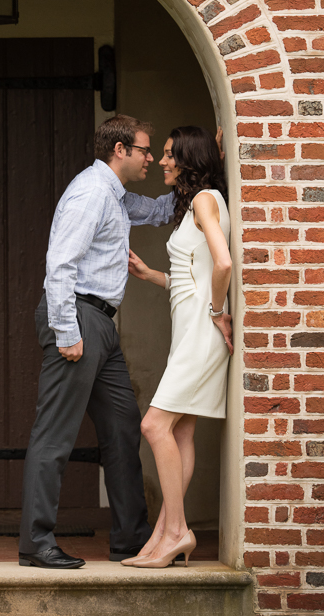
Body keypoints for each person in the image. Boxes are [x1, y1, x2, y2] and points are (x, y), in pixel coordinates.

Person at [18, 114, 175, 569]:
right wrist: (67, 332)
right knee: (55, 435)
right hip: (78, 318)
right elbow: (59, 264)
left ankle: (132, 538)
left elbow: (163, 210)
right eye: (145, 149)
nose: (150, 157)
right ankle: (36, 543)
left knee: (124, 426)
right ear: (120, 150)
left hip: (101, 324)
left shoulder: (117, 196)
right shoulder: (90, 192)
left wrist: (210, 169)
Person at [121, 125, 232, 569]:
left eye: (170, 155)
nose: (163, 162)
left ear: (189, 159)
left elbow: (222, 262)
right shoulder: (197, 204)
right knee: (180, 431)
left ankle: (176, 531)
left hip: (202, 332)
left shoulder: (205, 200)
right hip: (189, 330)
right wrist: (154, 276)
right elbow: (196, 275)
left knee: (153, 426)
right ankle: (164, 535)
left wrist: (218, 312)